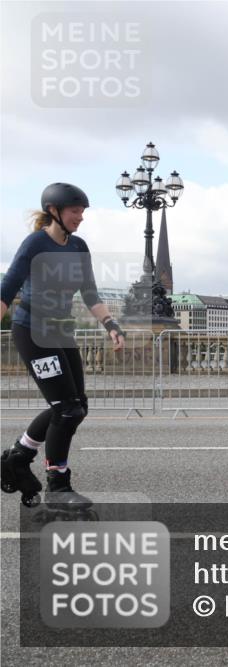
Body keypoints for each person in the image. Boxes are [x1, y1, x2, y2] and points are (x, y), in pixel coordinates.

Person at [0, 183, 126, 509]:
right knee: (66, 409)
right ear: (55, 211)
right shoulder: (35, 245)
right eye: (75, 211)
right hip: (31, 331)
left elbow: (90, 295)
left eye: (83, 212)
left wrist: (111, 325)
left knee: (76, 405)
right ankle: (58, 486)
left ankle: (18, 455)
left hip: (60, 332)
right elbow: (6, 289)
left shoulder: (79, 247)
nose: (80, 217)